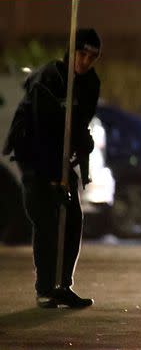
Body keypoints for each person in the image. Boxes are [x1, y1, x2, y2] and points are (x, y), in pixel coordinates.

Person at [2, 28, 102, 308]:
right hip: (33, 155)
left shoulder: (90, 84)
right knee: (46, 219)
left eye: (92, 57)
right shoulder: (49, 78)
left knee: (72, 218)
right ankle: (45, 288)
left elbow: (79, 126)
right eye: (82, 54)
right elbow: (40, 130)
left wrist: (83, 146)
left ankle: (63, 285)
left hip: (60, 158)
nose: (85, 61)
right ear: (72, 51)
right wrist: (50, 178)